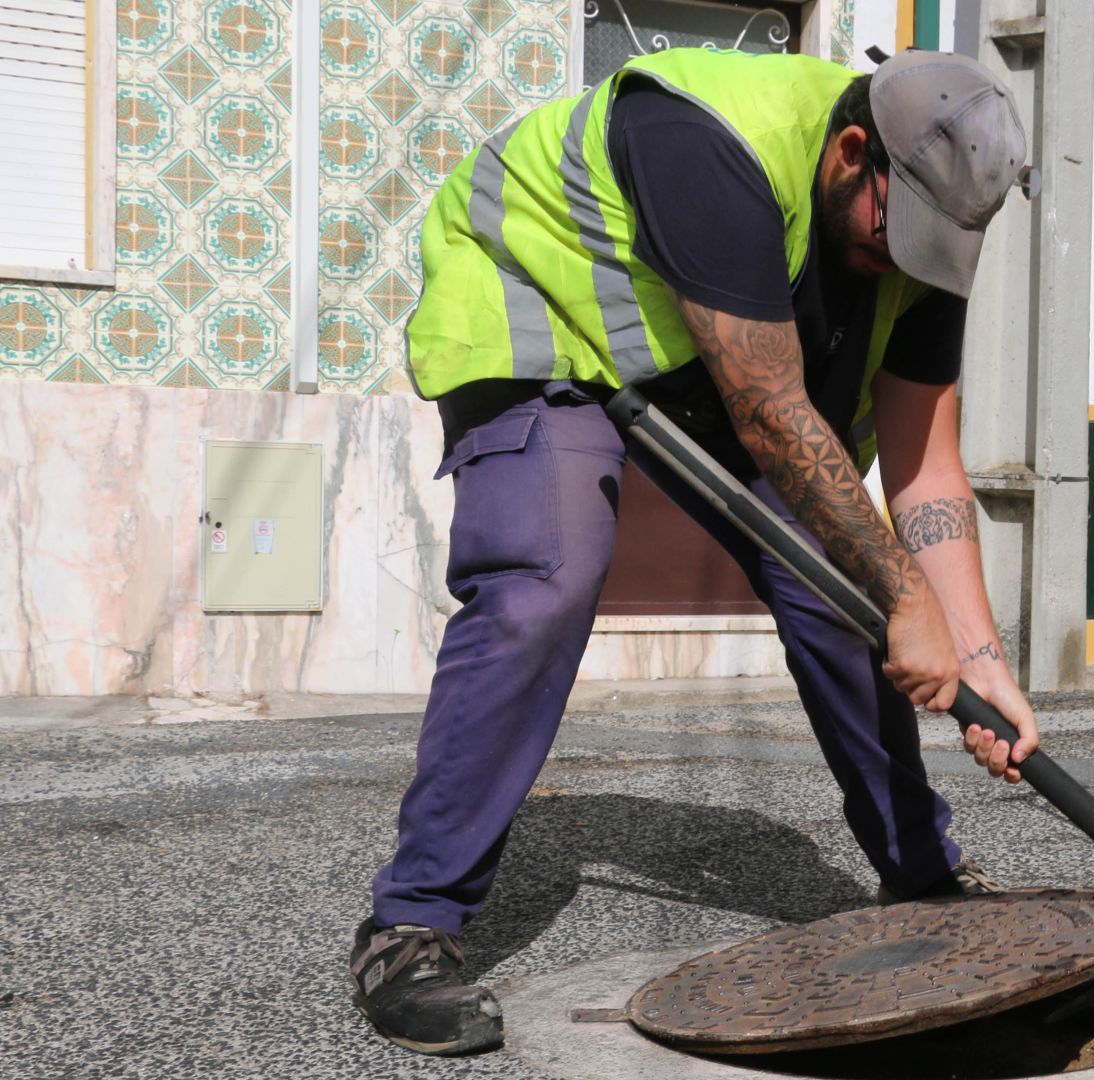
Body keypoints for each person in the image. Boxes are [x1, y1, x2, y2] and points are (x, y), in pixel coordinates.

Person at [348, 46, 1039, 1056]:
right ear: (856, 154)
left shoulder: (926, 236)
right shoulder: (712, 140)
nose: (906, 262)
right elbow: (767, 408)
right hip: (535, 297)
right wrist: (905, 593)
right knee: (545, 580)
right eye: (897, 235)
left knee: (853, 604)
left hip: (695, 350)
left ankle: (923, 875)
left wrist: (980, 661)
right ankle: (412, 922)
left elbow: (927, 474)